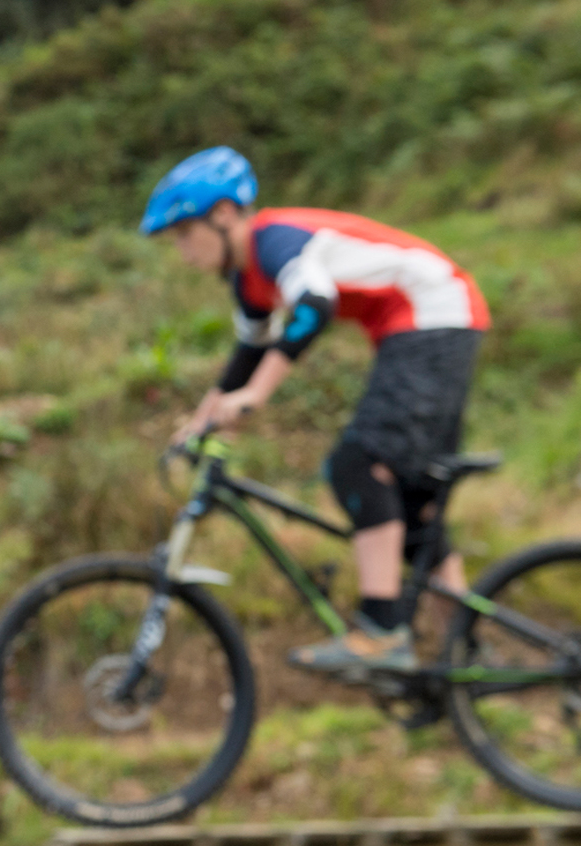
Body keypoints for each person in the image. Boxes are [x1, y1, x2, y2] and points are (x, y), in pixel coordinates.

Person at [144, 146, 489, 672]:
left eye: (185, 233)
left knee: (358, 465)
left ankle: (382, 632)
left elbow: (314, 305)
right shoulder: (247, 280)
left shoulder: (274, 241)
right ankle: (464, 659)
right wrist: (201, 421)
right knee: (410, 504)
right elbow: (247, 356)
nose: (182, 250)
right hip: (427, 322)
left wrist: (256, 396)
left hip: (432, 314)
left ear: (224, 215)